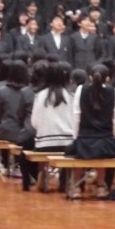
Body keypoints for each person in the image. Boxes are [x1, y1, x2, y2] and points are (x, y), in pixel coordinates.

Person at [67, 64, 115, 199]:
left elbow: (76, 116)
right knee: (102, 152)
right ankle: (100, 186)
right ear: (107, 79)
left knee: (79, 153)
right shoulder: (114, 92)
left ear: (90, 77)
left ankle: (76, 187)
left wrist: (76, 138)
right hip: (106, 140)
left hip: (84, 139)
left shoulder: (81, 90)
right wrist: (114, 138)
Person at [22, 63, 75, 191]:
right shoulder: (71, 96)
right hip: (67, 144)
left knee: (36, 144)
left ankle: (43, 173)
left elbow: (34, 122)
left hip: (44, 144)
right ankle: (65, 179)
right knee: (70, 147)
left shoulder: (40, 96)